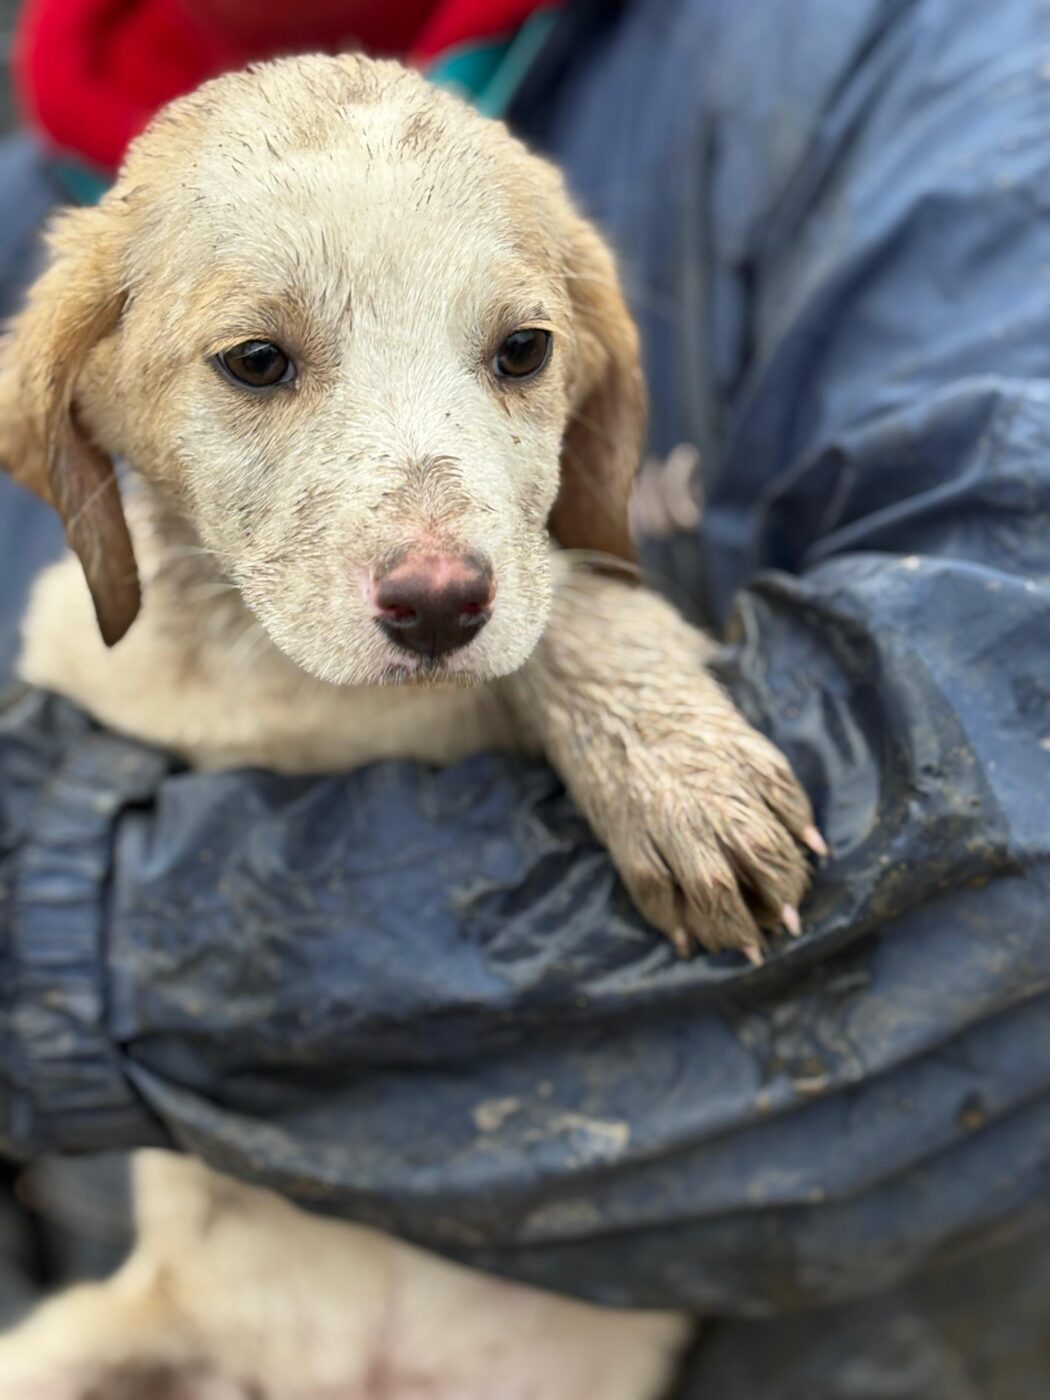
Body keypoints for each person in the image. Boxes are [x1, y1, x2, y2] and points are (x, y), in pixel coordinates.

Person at [2, 0, 1050, 1393]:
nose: (441, 568)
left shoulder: (908, 56)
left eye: (514, 354)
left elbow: (1008, 767)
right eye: (259, 362)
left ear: (592, 378)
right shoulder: (57, 248)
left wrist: (582, 627)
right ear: (78, 412)